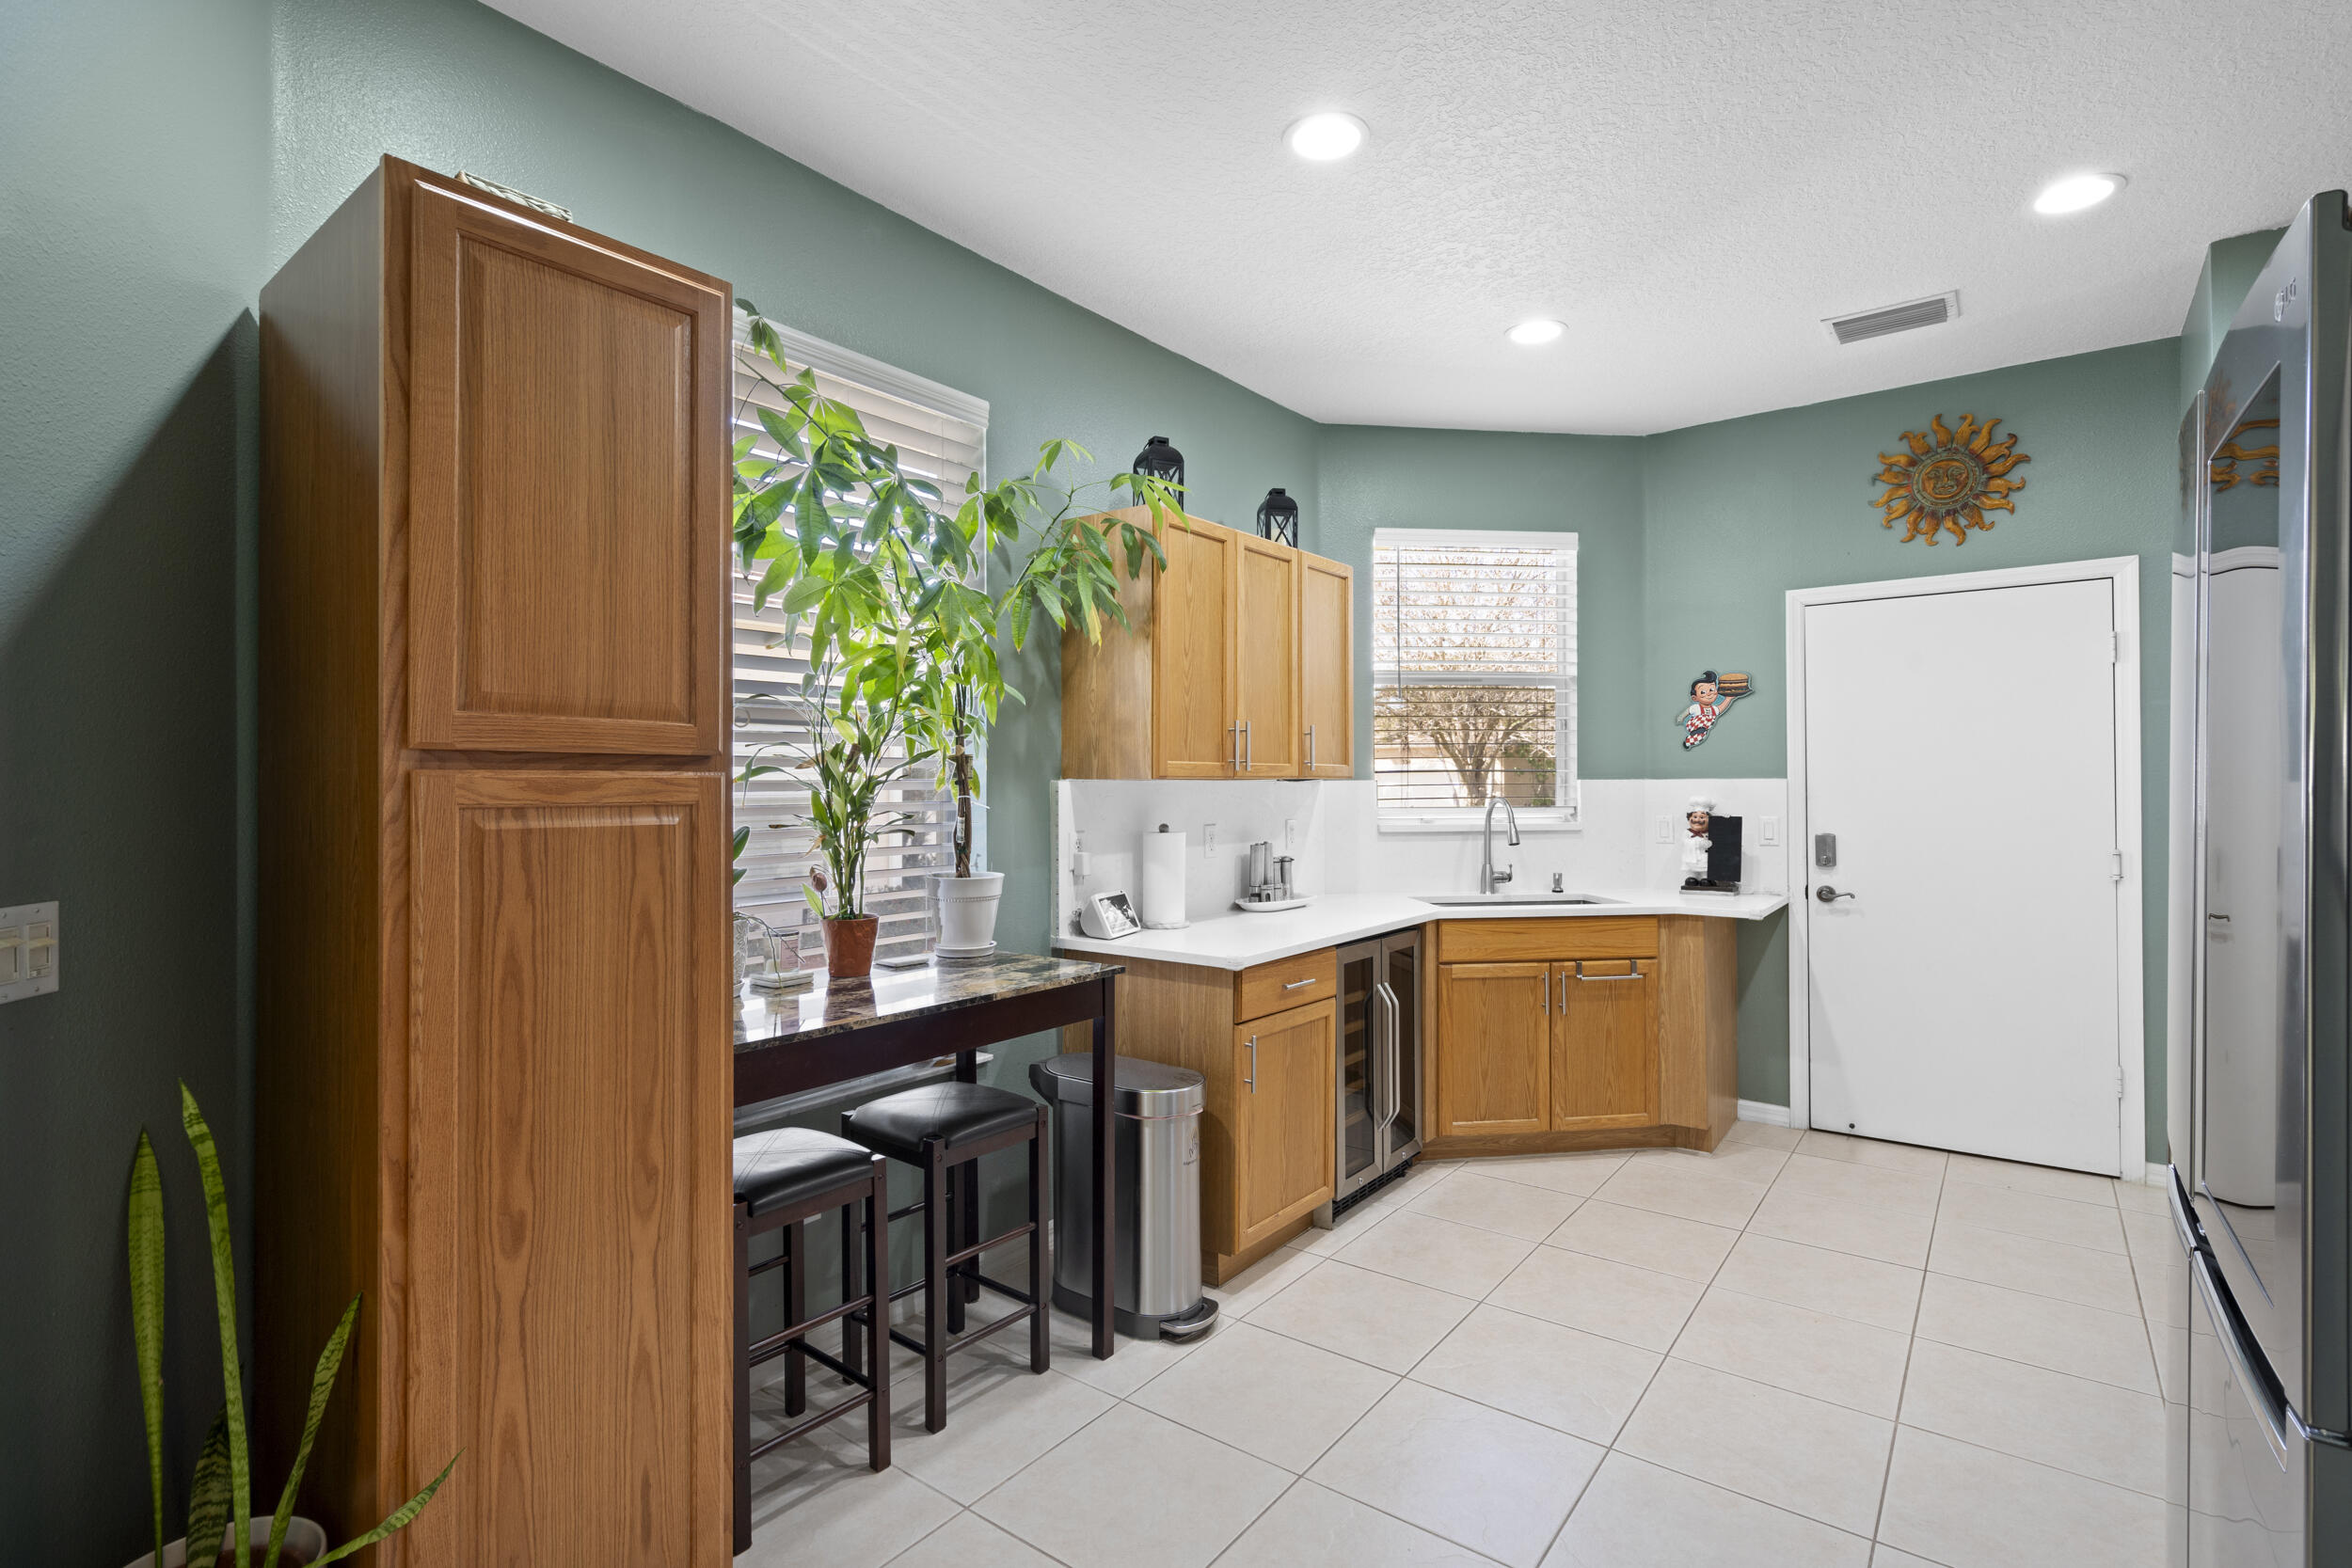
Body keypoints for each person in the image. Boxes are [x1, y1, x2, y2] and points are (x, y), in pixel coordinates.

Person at [1678, 671, 1740, 749]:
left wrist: (1728, 699)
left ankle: (1688, 741)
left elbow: (1721, 708)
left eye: (1711, 690)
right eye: (1703, 692)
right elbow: (1687, 712)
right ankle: (1694, 733)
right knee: (1700, 730)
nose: (1709, 694)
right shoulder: (1696, 708)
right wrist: (1681, 717)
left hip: (1704, 728)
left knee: (1701, 736)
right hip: (1694, 724)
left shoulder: (1713, 709)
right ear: (1695, 698)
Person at [1681, 798, 1715, 882]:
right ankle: (1692, 878)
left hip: (1704, 858)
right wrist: (1697, 843)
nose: (1697, 820)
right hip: (1691, 859)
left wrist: (1709, 843)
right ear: (1689, 819)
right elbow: (1684, 842)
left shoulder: (1710, 832)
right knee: (1691, 875)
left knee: (1705, 871)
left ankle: (1705, 878)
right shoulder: (1687, 832)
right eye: (1695, 816)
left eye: (1702, 817)